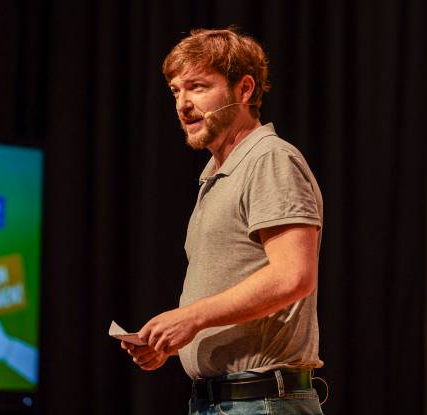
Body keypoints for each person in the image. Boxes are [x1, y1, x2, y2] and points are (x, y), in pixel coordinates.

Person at [121, 28, 324, 414]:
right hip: (221, 401)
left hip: (261, 401)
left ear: (244, 89)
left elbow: (293, 276)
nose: (182, 104)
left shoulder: (269, 160)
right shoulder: (216, 175)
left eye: (197, 87)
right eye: (176, 91)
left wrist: (191, 319)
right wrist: (174, 339)